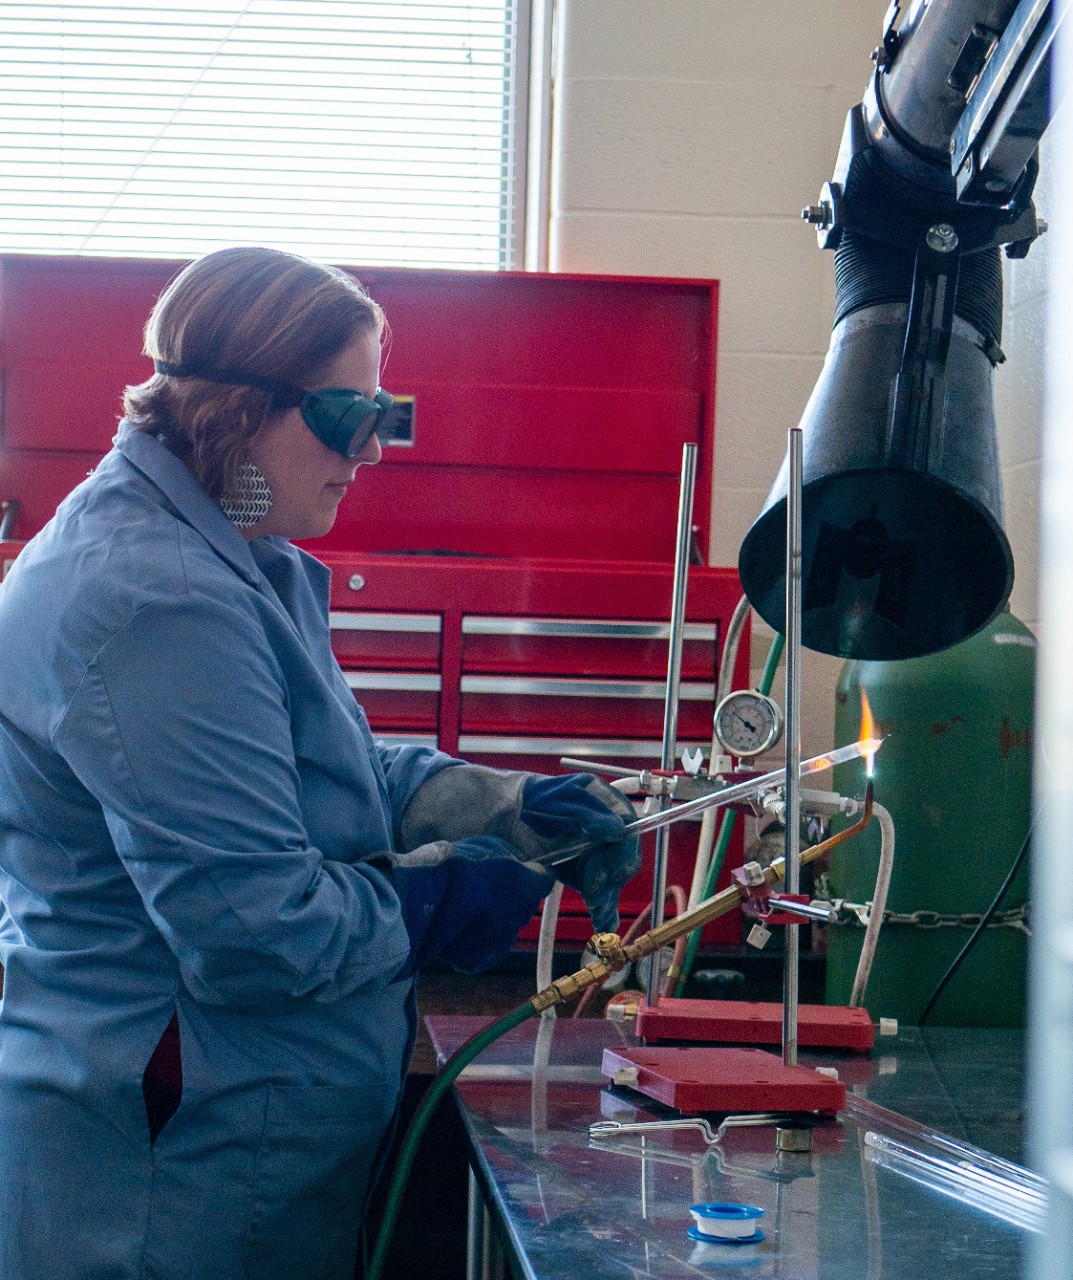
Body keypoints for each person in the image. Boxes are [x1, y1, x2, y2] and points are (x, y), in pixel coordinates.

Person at [0, 246, 640, 1280]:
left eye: (381, 414)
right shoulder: (152, 597)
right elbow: (254, 930)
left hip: (242, 1130)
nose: (373, 450)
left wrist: (500, 802)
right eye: (350, 417)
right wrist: (431, 905)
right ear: (233, 407)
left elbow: (315, 771)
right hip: (176, 1159)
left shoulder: (238, 558)